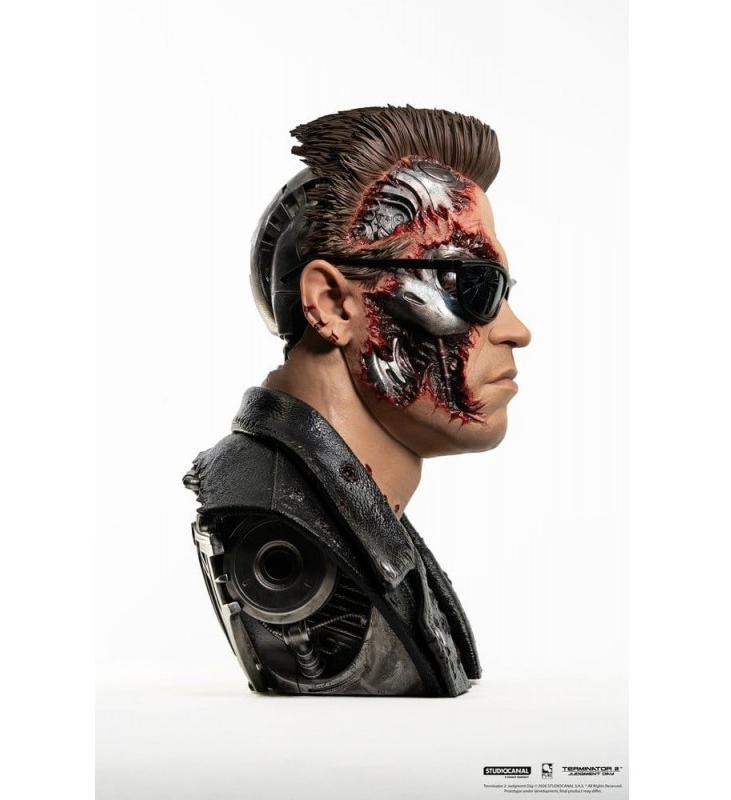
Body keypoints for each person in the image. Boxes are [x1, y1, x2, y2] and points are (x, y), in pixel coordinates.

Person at [183, 105, 531, 696]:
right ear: (333, 305)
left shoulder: (344, 504)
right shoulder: (278, 520)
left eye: (503, 290)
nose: (517, 330)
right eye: (469, 284)